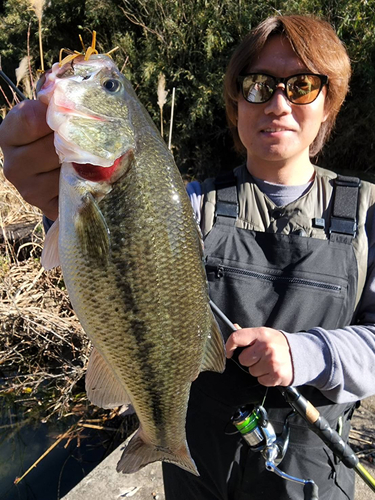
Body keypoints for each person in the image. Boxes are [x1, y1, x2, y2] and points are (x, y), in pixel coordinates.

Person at [1, 13, 375, 500]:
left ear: (330, 102)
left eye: (302, 85)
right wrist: (56, 204)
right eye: (258, 85)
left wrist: (304, 353)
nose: (278, 103)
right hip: (197, 459)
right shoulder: (190, 204)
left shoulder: (369, 211)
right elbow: (112, 251)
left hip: (311, 470)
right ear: (236, 101)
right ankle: (163, 439)